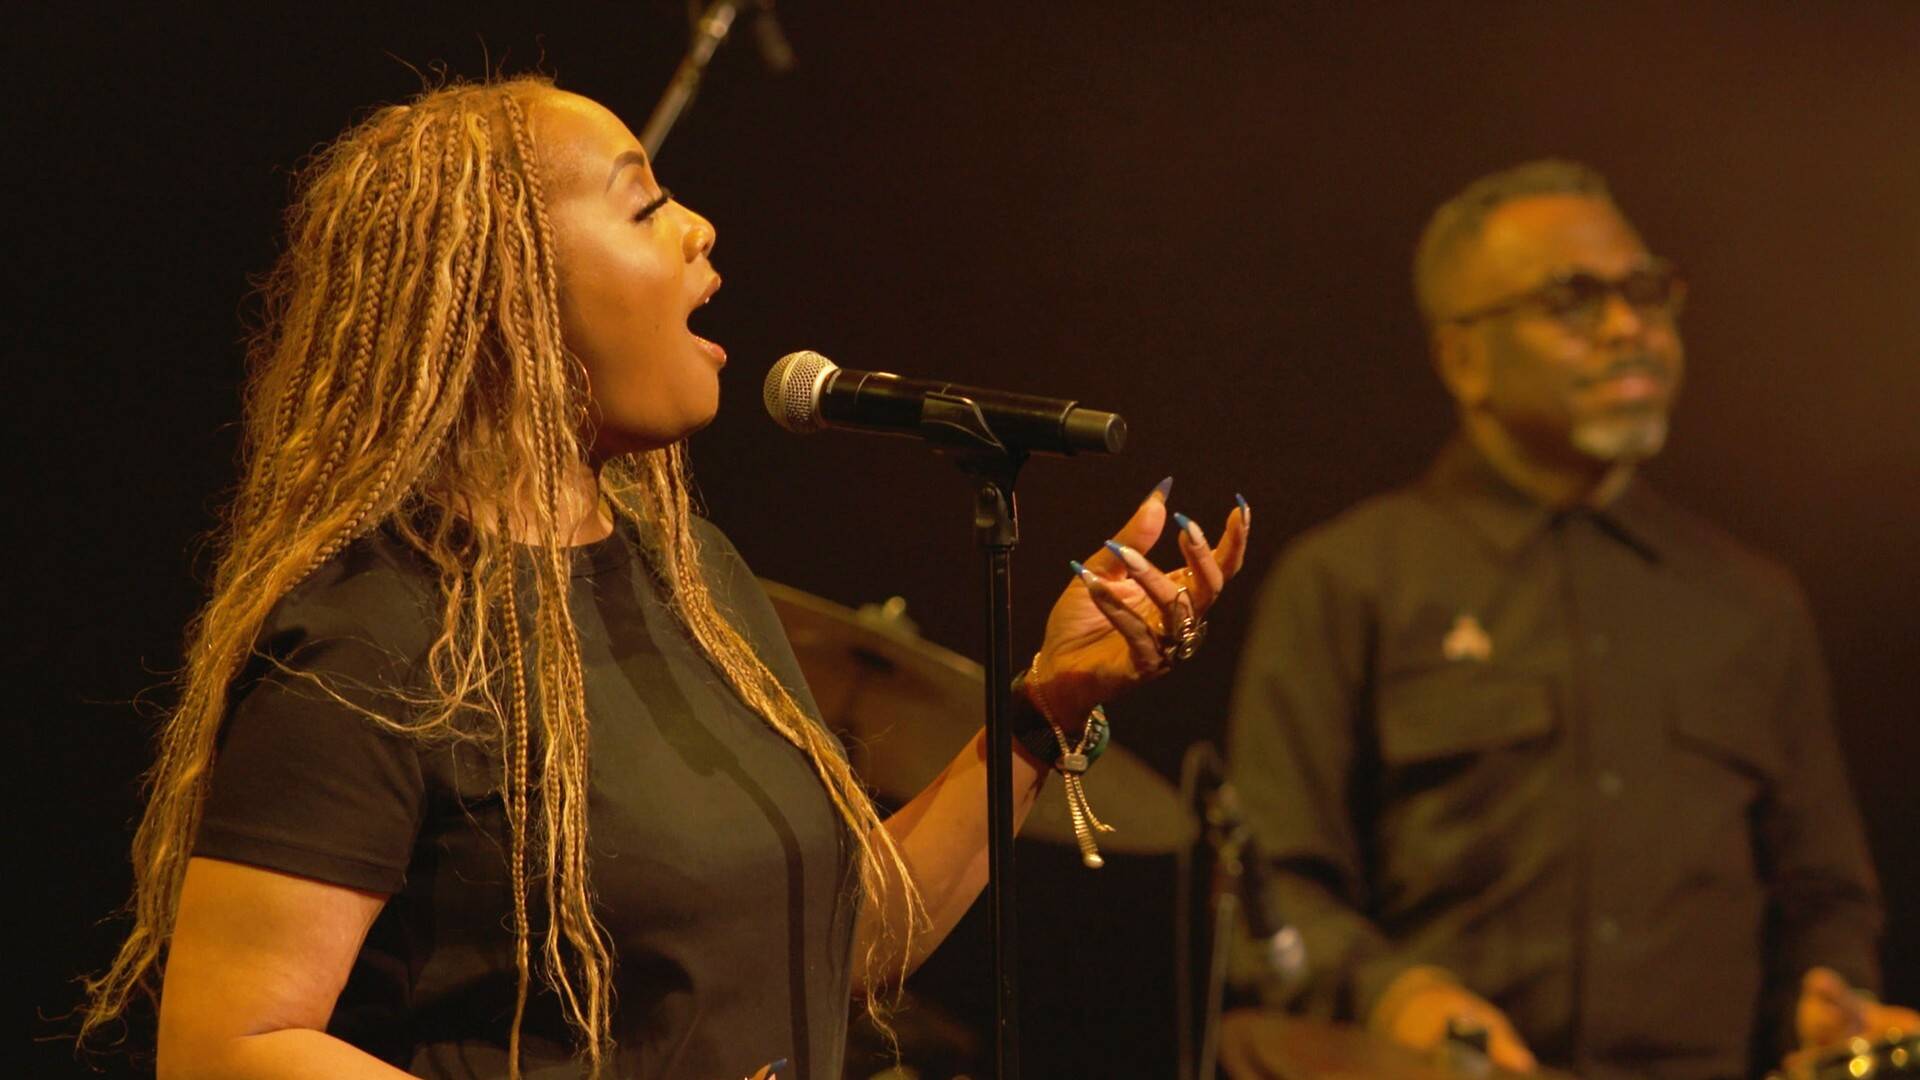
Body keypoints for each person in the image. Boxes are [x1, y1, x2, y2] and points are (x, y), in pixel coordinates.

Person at [75, 76, 1250, 1079]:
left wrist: (1047, 712)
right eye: (646, 205)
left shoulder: (691, 581)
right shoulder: (374, 641)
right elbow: (233, 1044)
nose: (702, 230)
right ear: (506, 290)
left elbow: (821, 950)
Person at [1224, 160, 1912, 1079]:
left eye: (1645, 291)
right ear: (1463, 358)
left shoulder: (1752, 602)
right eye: (1573, 300)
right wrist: (1395, 993)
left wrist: (1831, 997)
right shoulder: (1349, 581)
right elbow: (1266, 887)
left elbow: (1826, 895)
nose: (1629, 327)